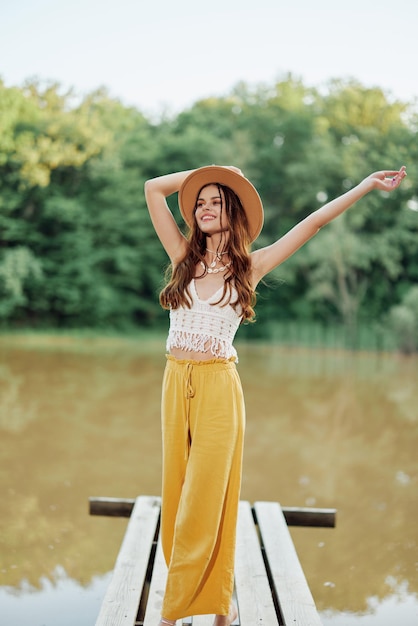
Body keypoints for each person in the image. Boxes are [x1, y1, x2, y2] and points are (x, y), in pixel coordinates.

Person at [144, 163, 407, 626]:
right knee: (178, 493)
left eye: (215, 200)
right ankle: (219, 605)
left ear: (233, 211)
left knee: (206, 498)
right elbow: (151, 188)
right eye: (199, 202)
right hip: (174, 384)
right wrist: (210, 172)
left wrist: (366, 186)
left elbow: (314, 222)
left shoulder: (252, 265)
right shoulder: (182, 254)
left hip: (219, 390)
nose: (205, 208)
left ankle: (171, 613)